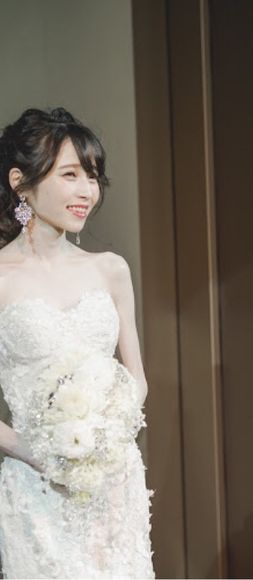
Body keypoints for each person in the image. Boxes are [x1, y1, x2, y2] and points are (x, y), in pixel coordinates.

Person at [0, 108, 154, 578]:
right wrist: (36, 452)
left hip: (113, 482)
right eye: (70, 175)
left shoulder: (110, 269)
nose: (88, 190)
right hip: (37, 487)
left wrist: (106, 438)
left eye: (93, 176)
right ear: (20, 183)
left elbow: (137, 380)